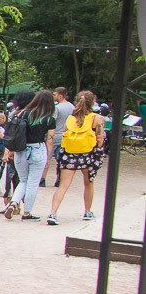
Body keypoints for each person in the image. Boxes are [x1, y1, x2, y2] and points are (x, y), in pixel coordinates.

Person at [48, 90, 106, 225]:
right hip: (88, 153)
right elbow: (100, 139)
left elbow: (66, 133)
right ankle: (87, 211)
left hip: (70, 153)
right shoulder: (97, 119)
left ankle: (53, 213)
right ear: (92, 102)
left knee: (63, 185)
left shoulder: (70, 119)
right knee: (88, 182)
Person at [2, 90, 56, 220]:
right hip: (38, 149)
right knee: (33, 183)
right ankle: (27, 212)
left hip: (21, 150)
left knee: (23, 180)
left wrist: (10, 150)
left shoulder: (23, 114)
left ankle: (14, 202)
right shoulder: (49, 119)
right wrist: (48, 158)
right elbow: (50, 140)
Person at [51, 86, 76, 186]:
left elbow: (52, 122)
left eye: (55, 94)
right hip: (66, 136)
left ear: (60, 96)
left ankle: (42, 179)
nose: (53, 96)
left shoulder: (57, 108)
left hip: (55, 135)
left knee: (47, 158)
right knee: (61, 160)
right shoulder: (72, 107)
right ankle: (60, 179)